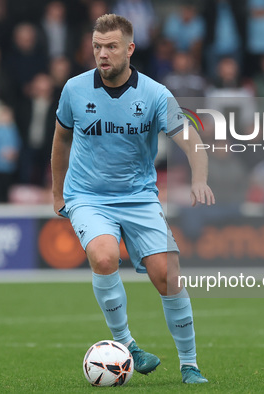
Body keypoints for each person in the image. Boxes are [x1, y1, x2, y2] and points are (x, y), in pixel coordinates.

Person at [51, 14, 214, 384]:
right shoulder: (74, 89)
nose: (102, 54)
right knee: (105, 256)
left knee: (167, 277)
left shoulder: (155, 94)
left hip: (138, 197)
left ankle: (189, 364)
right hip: (88, 196)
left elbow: (191, 140)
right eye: (97, 47)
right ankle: (128, 346)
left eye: (110, 47)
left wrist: (199, 178)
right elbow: (61, 139)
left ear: (130, 49)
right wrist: (57, 191)